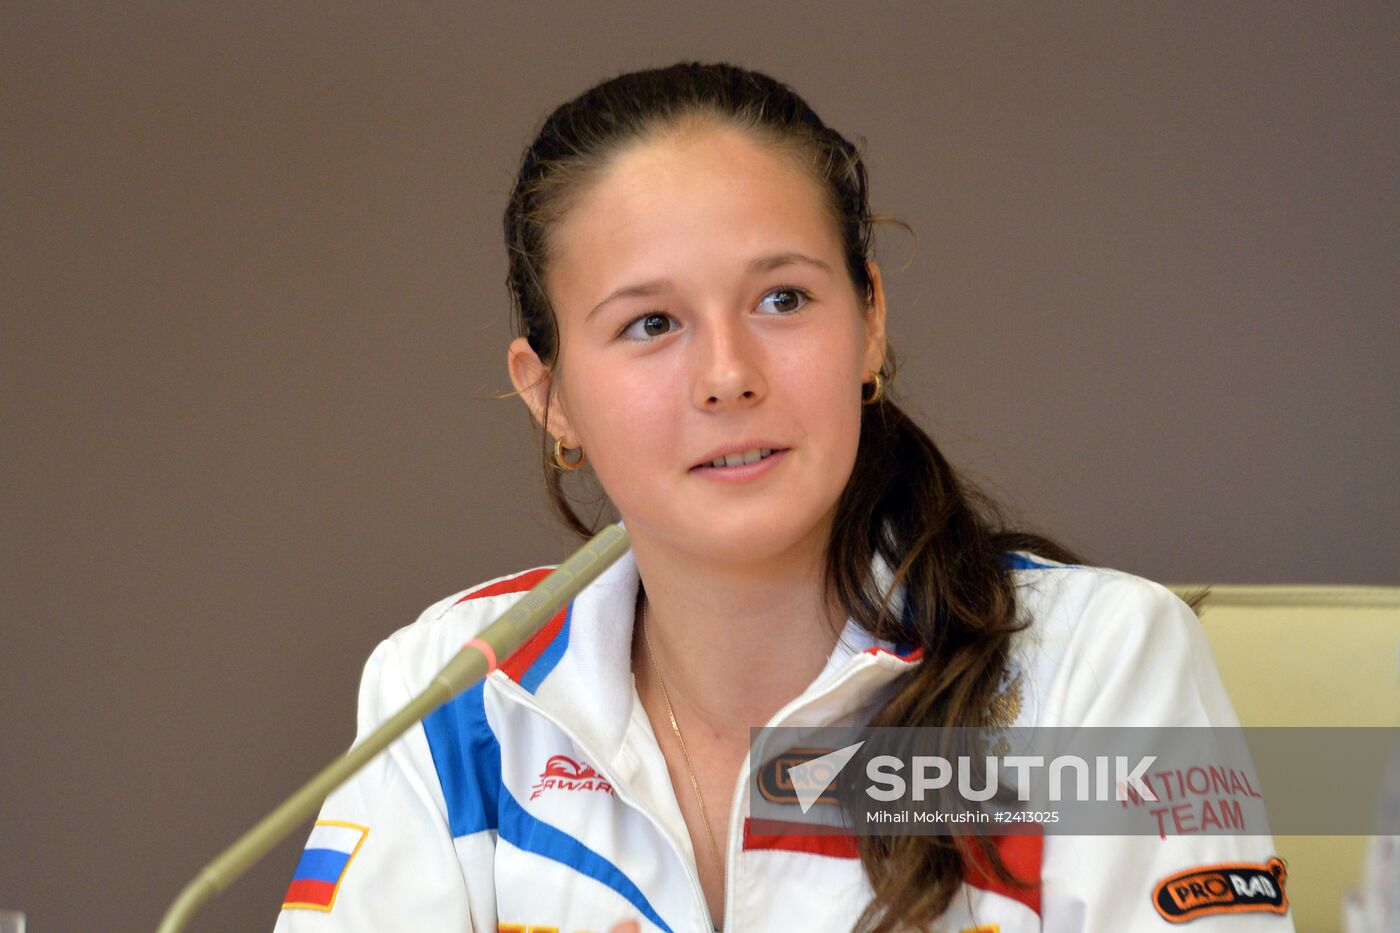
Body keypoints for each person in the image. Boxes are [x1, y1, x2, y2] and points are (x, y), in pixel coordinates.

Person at [273, 62, 1294, 932]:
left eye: (781, 300)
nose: (726, 375)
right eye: (648, 324)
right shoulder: (455, 690)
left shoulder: (1094, 669)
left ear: (869, 323)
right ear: (551, 398)